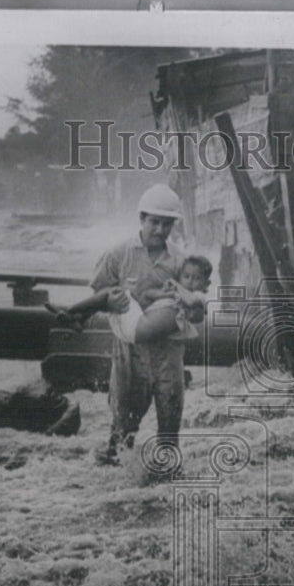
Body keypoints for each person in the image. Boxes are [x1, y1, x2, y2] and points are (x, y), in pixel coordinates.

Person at [83, 184, 202, 468]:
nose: (160, 230)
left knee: (170, 425)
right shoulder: (118, 255)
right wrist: (110, 304)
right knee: (123, 424)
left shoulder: (181, 261)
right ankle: (117, 484)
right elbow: (98, 293)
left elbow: (197, 312)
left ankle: (165, 484)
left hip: (168, 351)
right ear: (141, 219)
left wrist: (193, 307)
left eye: (167, 224)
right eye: (154, 222)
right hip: (129, 350)